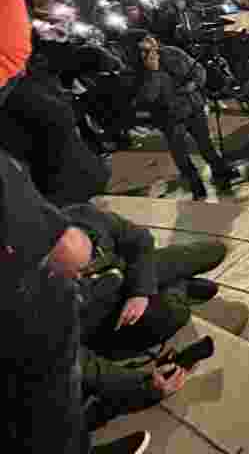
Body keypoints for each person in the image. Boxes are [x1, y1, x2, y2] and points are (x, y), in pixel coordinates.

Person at [0, 149, 152, 454]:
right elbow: (67, 249)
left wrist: (140, 291)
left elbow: (140, 243)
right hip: (34, 331)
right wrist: (143, 384)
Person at [66, 202, 226, 360]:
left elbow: (140, 239)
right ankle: (178, 288)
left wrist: (139, 292)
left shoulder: (84, 216)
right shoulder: (47, 286)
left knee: (214, 251)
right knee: (175, 312)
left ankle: (175, 285)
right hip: (109, 318)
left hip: (126, 275)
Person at [134, 34, 239, 200]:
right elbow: (148, 97)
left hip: (192, 107)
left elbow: (199, 70)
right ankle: (195, 183)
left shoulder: (173, 52)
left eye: (150, 40)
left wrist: (195, 84)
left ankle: (220, 172)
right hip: (170, 117)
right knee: (181, 154)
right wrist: (153, 72)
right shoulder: (138, 69)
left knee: (206, 143)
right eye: (144, 45)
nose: (150, 45)